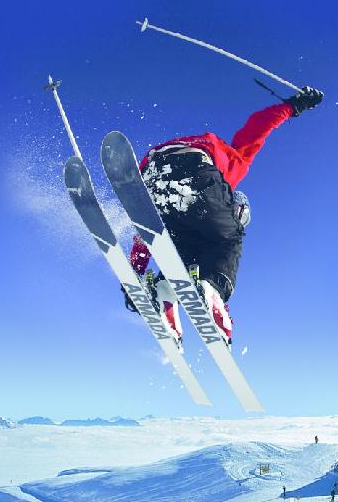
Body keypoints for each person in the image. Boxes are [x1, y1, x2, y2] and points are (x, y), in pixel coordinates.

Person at [132, 87, 325, 341]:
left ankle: (164, 295)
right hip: (194, 168)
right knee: (229, 238)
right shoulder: (234, 163)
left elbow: (149, 231)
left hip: (151, 175)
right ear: (237, 207)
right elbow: (259, 125)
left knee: (184, 254)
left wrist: (135, 272)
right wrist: (293, 106)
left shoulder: (201, 211)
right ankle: (213, 291)